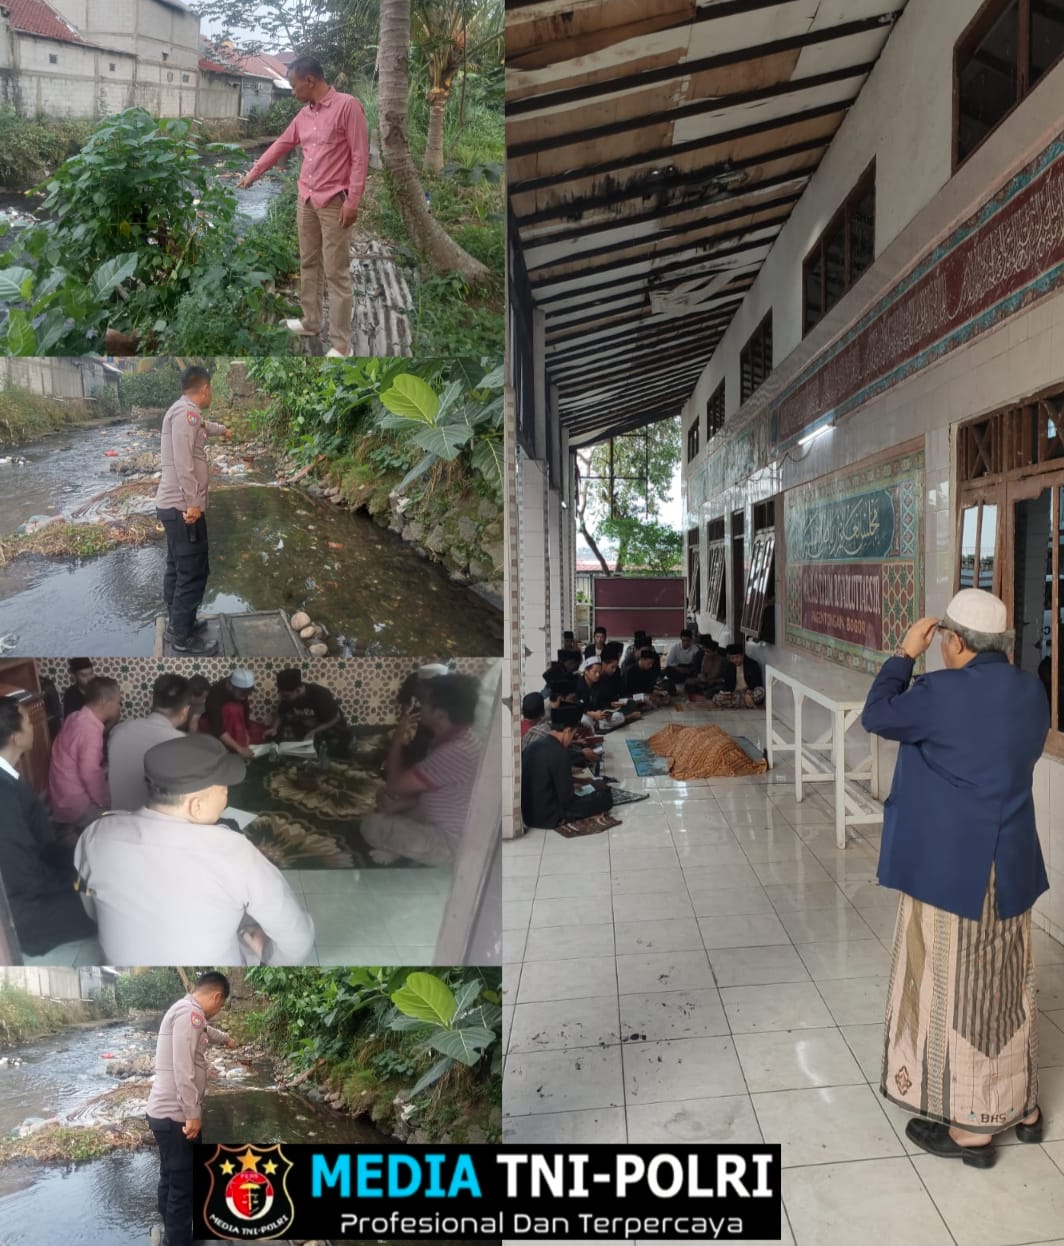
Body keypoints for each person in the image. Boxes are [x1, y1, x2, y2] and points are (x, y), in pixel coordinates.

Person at [861, 590, 1048, 1168]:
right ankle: (1024, 1108)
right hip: (1010, 865)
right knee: (1009, 985)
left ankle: (973, 1128)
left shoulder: (938, 694)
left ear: (956, 642)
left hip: (956, 870)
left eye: (942, 639)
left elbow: (876, 714)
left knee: (962, 991)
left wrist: (902, 654)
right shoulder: (1030, 689)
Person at [73, 734, 315, 965]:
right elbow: (298, 940)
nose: (227, 795)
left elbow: (92, 909)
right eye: (223, 790)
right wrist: (268, 952)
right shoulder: (234, 853)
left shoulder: (96, 836)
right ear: (196, 806)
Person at [237, 55, 369, 358]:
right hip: (306, 199)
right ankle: (311, 322)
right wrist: (253, 174)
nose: (293, 91)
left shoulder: (348, 107)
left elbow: (360, 157)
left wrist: (354, 200)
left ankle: (341, 345)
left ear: (310, 80)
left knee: (336, 272)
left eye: (295, 85)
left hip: (335, 202)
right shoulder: (303, 116)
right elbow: (280, 145)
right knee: (308, 263)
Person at [0, 699, 97, 955]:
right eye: (29, 723)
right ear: (15, 736)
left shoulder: (9, 778)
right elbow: (20, 873)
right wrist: (66, 883)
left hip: (36, 880)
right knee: (108, 908)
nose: (33, 728)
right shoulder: (2, 793)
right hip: (24, 910)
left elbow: (40, 846)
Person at [146, 971, 237, 1246]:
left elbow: (207, 1031)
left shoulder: (186, 1011)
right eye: (220, 1006)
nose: (217, 1011)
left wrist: (227, 1039)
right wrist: (192, 1114)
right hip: (177, 1116)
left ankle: (171, 1230)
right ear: (216, 996)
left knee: (170, 1175)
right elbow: (183, 1068)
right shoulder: (191, 1015)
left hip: (162, 1114)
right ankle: (179, 1239)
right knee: (183, 1186)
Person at [361, 673, 483, 866]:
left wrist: (398, 737)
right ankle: (401, 846)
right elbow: (433, 791)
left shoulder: (454, 751)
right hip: (435, 815)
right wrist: (403, 805)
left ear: (440, 714)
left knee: (371, 825)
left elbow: (395, 785)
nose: (420, 706)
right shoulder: (462, 739)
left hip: (451, 842)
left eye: (425, 702)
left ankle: (404, 850)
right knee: (386, 800)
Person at [154, 365, 232, 656]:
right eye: (211, 389)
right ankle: (182, 639)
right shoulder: (186, 414)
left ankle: (178, 623)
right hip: (183, 509)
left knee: (177, 566)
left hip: (173, 507)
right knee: (193, 572)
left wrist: (222, 430)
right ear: (205, 389)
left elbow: (201, 427)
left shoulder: (186, 412)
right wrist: (193, 504)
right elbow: (185, 463)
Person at [106, 674, 191, 812]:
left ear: (153, 701)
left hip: (116, 818)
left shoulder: (118, 731)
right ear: (185, 710)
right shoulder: (180, 743)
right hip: (151, 825)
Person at [521, 703, 614, 828]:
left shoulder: (535, 745)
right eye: (573, 734)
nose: (571, 739)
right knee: (604, 798)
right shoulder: (560, 753)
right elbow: (567, 800)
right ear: (568, 730)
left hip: (527, 815)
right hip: (549, 816)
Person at [48, 676, 121, 831]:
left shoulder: (74, 717)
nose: (118, 707)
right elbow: (90, 773)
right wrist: (104, 802)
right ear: (104, 702)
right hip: (76, 805)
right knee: (117, 820)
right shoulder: (89, 731)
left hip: (60, 797)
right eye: (117, 702)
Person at [265, 668, 352, 757]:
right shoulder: (287, 697)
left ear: (298, 690)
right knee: (278, 737)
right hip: (307, 728)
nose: (283, 698)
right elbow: (280, 714)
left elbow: (336, 717)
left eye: (285, 696)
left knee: (331, 747)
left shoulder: (320, 694)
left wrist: (314, 732)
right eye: (281, 695)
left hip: (328, 726)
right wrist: (274, 728)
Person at [203, 669, 262, 759]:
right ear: (232, 687)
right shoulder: (215, 695)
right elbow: (217, 729)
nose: (245, 696)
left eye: (248, 693)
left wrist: (246, 730)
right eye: (243, 692)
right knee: (232, 709)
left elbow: (245, 708)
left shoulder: (241, 691)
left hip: (235, 723)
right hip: (215, 722)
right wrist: (239, 749)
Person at [712, 643, 766, 708]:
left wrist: (748, 692)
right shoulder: (729, 667)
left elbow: (757, 683)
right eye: (732, 658)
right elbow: (727, 685)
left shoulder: (752, 664)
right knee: (716, 698)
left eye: (737, 657)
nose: (735, 660)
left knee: (761, 691)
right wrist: (726, 694)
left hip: (749, 692)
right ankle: (746, 702)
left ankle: (741, 702)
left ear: (742, 655)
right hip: (735, 694)